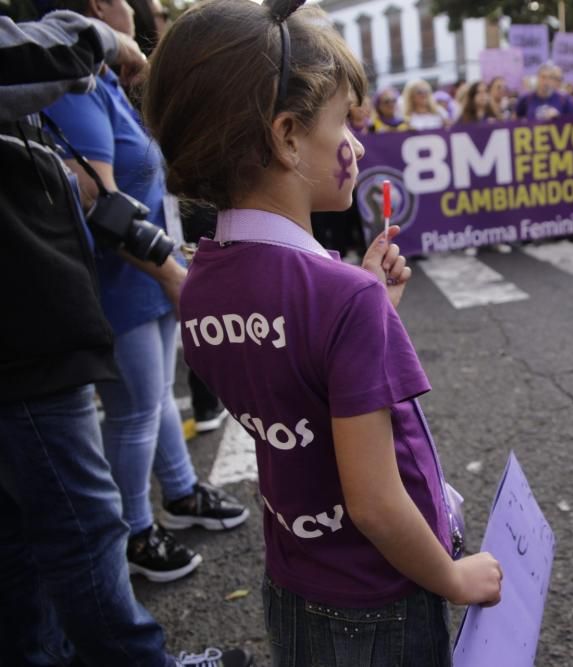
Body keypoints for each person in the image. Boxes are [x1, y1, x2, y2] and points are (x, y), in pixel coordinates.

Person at [143, 1, 503, 664]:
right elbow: (373, 502)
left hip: (292, 585)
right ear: (285, 137)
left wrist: (375, 309)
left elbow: (293, 388)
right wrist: (451, 577)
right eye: (343, 121)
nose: (358, 144)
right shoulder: (343, 297)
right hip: (383, 596)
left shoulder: (203, 284)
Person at [0, 10, 251, 667]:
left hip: (44, 315)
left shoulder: (94, 82)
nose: (138, 13)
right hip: (33, 331)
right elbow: (97, 193)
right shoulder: (70, 63)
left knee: (32, 533)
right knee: (84, 523)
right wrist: (171, 270)